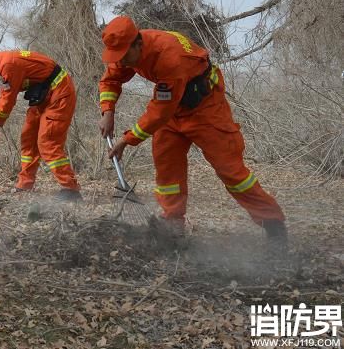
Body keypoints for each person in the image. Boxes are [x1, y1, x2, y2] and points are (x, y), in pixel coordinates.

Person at [98, 16, 286, 242]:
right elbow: (110, 79)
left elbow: (160, 112)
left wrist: (126, 140)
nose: (121, 61)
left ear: (138, 44)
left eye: (124, 56)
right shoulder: (124, 48)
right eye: (116, 57)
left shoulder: (170, 57)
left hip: (205, 108)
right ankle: (173, 224)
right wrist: (108, 110)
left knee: (232, 171)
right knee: (167, 167)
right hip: (172, 109)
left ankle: (273, 223)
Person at [0, 43, 82, 200]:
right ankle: (25, 184)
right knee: (28, 138)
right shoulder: (5, 64)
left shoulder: (8, 64)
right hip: (42, 97)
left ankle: (71, 189)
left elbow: (8, 99)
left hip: (59, 94)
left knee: (47, 142)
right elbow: (4, 94)